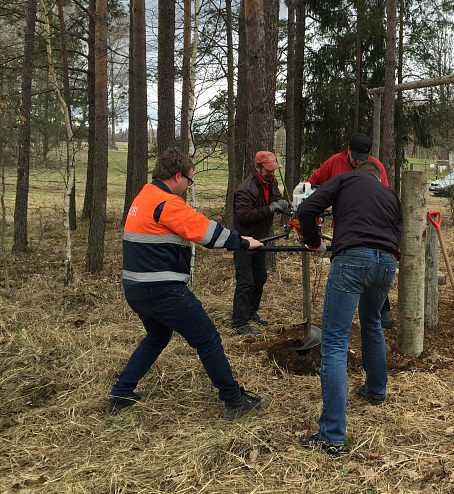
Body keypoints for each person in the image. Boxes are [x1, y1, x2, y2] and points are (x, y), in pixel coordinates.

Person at [107, 147, 269, 420]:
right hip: (161, 289)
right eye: (189, 181)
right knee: (207, 338)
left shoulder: (144, 196)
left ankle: (121, 393)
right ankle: (233, 398)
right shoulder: (166, 202)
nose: (187, 187)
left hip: (136, 288)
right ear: (178, 176)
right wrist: (243, 242)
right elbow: (204, 230)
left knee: (158, 336)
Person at [295, 161, 403, 455]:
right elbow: (399, 232)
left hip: (353, 260)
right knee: (372, 325)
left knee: (334, 343)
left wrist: (313, 242)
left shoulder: (345, 180)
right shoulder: (390, 195)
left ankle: (331, 436)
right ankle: (376, 391)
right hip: (388, 263)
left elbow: (305, 210)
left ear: (358, 173)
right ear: (378, 177)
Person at [307, 134, 395, 328]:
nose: (357, 161)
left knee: (370, 269)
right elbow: (314, 181)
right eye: (355, 157)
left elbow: (383, 195)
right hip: (346, 227)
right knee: (349, 270)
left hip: (373, 228)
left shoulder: (376, 167)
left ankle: (383, 310)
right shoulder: (334, 163)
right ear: (348, 150)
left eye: (362, 158)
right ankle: (347, 309)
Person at [230, 151, 290, 335]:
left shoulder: (271, 182)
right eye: (268, 170)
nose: (271, 173)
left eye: (273, 169)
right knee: (245, 281)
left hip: (260, 239)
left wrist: (281, 203)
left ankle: (251, 313)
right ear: (257, 168)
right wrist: (270, 209)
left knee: (260, 277)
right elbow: (244, 216)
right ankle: (239, 322)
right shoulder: (245, 189)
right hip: (243, 240)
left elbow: (274, 198)